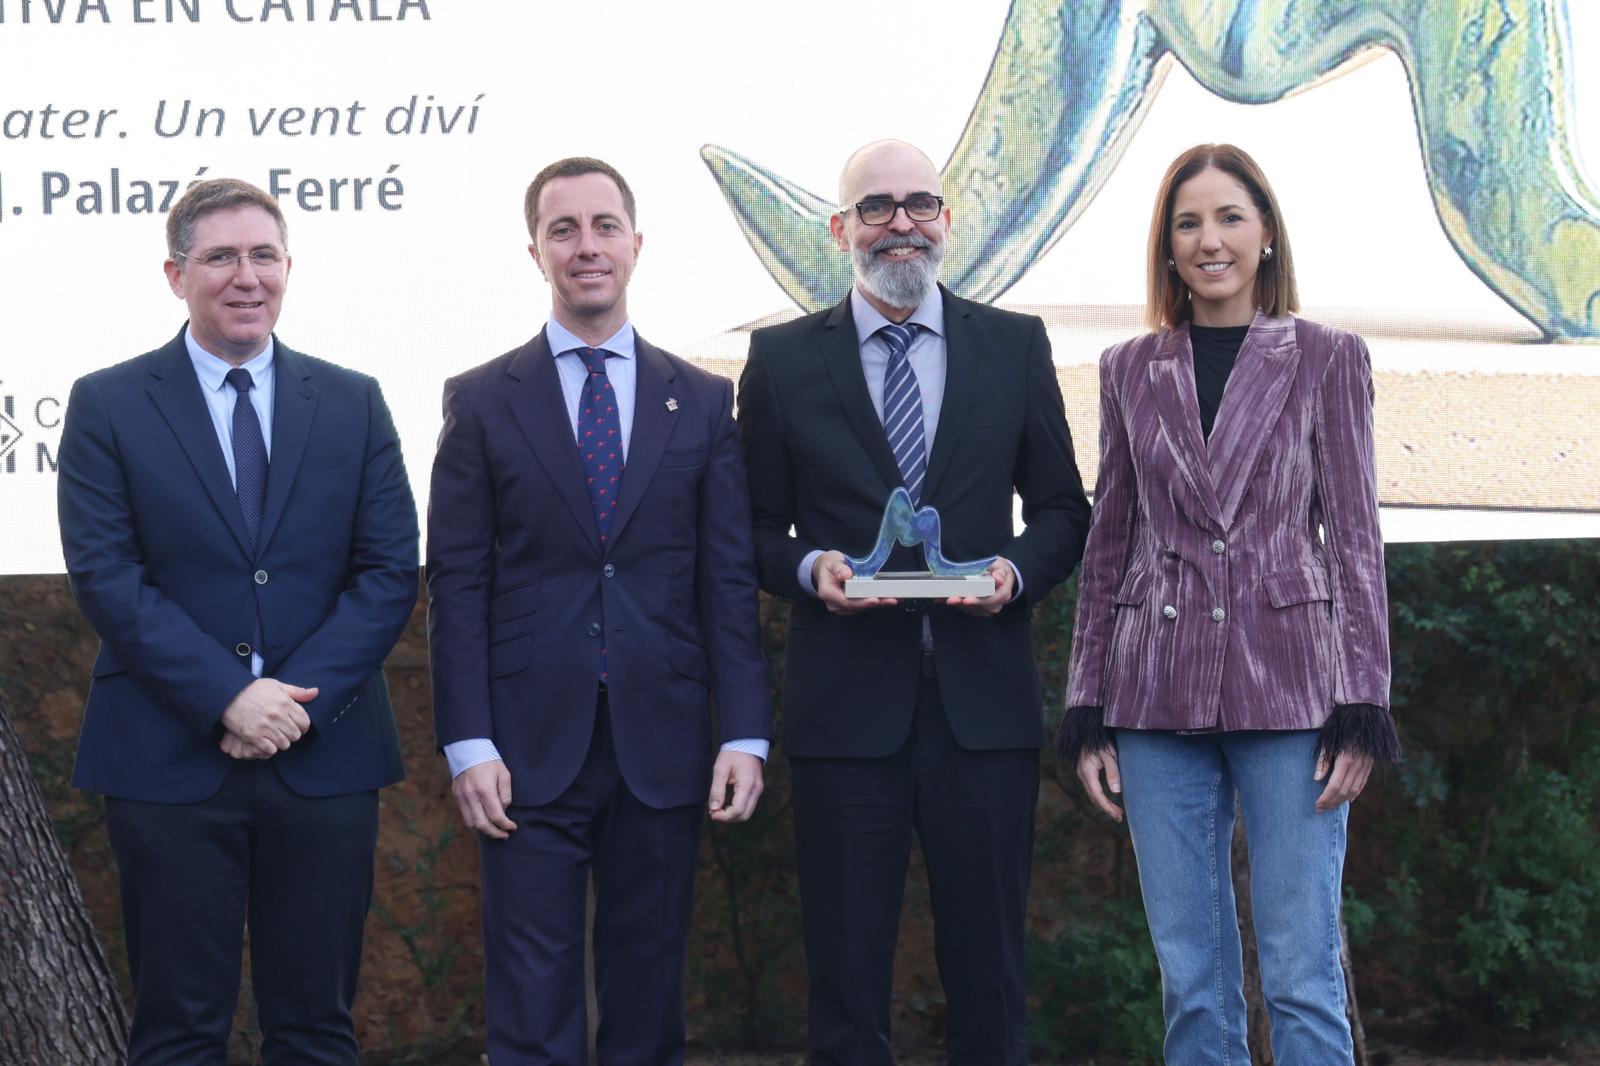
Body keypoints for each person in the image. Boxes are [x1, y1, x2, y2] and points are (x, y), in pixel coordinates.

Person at [737, 138, 1092, 1063]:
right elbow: (751, 528)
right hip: (846, 715)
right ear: (839, 229)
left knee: (992, 981)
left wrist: (1014, 573)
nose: (901, 224)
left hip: (983, 711)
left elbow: (1063, 511)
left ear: (946, 219)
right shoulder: (779, 360)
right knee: (846, 985)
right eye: (876, 207)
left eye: (919, 204)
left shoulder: (1013, 346)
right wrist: (811, 568)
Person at [56, 178, 419, 1064]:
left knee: (316, 1028)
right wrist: (229, 696)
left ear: (289, 267)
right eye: (220, 257)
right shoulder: (108, 403)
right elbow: (107, 574)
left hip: (323, 757)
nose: (246, 276)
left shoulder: (353, 401)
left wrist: (291, 704)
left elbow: (386, 572)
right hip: (167, 758)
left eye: (263, 255)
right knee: (179, 1031)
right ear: (175, 275)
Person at [1059, 142, 1402, 1063]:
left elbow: (1356, 539)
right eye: (1188, 223)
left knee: (1302, 970)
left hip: (1292, 691)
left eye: (1229, 217)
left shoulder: (1328, 358)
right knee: (1192, 981)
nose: (1209, 239)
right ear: (1167, 248)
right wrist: (1087, 706)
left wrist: (1363, 703)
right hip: (1153, 692)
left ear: (1266, 235)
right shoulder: (1128, 368)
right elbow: (1111, 541)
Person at [426, 156, 772, 1064]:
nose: (587, 246)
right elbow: (456, 583)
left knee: (648, 999)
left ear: (636, 244)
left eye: (604, 226)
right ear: (536, 252)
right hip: (523, 749)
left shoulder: (702, 401)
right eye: (564, 230)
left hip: (663, 740)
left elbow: (725, 579)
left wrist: (745, 731)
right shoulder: (481, 401)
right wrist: (468, 742)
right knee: (530, 1011)